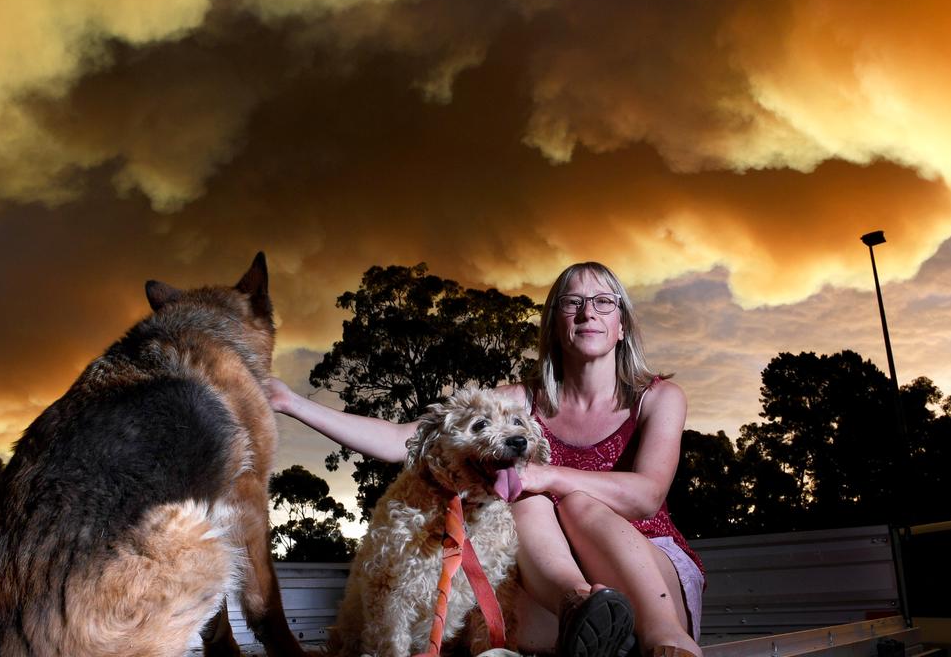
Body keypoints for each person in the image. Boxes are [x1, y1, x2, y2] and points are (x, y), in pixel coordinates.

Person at [265, 262, 704, 657]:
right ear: (554, 325)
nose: (589, 312)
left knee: (568, 499)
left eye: (604, 302)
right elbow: (406, 438)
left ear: (623, 325)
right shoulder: (518, 401)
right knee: (524, 501)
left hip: (646, 572)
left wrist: (545, 475)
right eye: (573, 302)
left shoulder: (659, 397)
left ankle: (666, 638)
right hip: (547, 584)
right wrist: (291, 403)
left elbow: (647, 495)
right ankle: (580, 608)